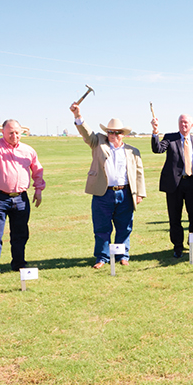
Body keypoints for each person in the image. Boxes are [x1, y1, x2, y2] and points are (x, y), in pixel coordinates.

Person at [0, 101, 45, 279]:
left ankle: (19, 264)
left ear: (22, 133)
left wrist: (38, 189)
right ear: (3, 132)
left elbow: (37, 170)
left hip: (20, 198)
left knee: (20, 233)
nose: (14, 136)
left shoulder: (28, 150)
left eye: (17, 132)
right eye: (10, 132)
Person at [71, 103, 146, 268]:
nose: (113, 135)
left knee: (125, 226)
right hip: (103, 193)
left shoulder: (133, 151)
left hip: (125, 193)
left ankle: (122, 256)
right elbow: (87, 133)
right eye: (110, 132)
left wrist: (140, 193)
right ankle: (102, 258)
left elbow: (139, 173)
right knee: (102, 227)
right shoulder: (98, 143)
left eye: (117, 132)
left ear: (123, 134)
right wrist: (78, 116)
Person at [151, 114, 193, 258]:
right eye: (181, 122)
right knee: (175, 217)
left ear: (191, 125)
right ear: (178, 124)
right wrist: (155, 132)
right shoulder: (170, 138)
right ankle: (178, 246)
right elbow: (157, 149)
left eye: (186, 123)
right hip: (175, 184)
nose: (183, 125)